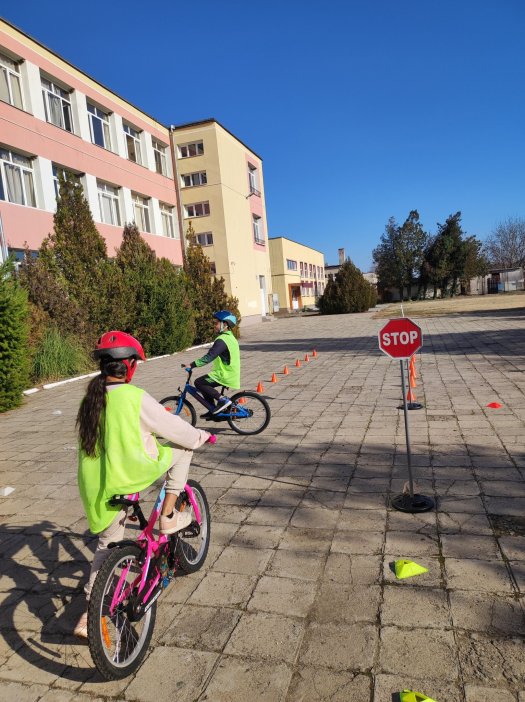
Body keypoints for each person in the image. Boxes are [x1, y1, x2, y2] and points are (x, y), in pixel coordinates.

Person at [74, 331, 211, 638]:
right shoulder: (135, 398)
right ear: (130, 366)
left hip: (98, 484)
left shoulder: (89, 400)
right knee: (183, 449)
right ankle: (168, 514)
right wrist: (201, 436)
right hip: (130, 473)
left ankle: (88, 614)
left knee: (106, 545)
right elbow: (177, 429)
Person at [185, 310, 240, 420]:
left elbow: (209, 357)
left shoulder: (222, 340)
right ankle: (212, 410)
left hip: (225, 374)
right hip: (229, 372)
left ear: (224, 324)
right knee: (205, 384)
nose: (214, 325)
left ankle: (223, 400)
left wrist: (192, 365)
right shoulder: (230, 337)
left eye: (216, 323)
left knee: (199, 382)